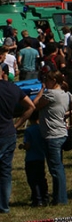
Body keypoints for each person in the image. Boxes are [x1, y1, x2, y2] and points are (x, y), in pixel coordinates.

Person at [34, 70, 72, 205]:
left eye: (47, 80)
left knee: (56, 169)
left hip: (52, 135)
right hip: (62, 133)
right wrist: (66, 113)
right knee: (58, 167)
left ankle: (61, 199)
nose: (45, 82)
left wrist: (41, 91)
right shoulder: (66, 94)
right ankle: (59, 196)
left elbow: (35, 105)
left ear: (53, 81)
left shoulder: (50, 94)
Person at [0, 49, 34, 214]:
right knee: (5, 171)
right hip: (8, 131)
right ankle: (4, 206)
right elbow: (31, 106)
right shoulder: (13, 89)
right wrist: (18, 124)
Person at [21, 110, 48, 207]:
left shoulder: (29, 130)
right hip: (41, 157)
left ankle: (37, 199)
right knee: (41, 178)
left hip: (31, 158)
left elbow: (28, 145)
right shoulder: (42, 128)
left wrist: (23, 146)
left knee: (33, 180)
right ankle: (45, 197)